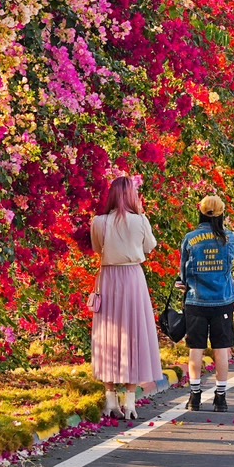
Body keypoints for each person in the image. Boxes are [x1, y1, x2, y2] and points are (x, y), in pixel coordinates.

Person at [89, 175, 165, 420]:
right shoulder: (140, 221)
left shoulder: (99, 222)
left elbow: (97, 249)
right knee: (134, 334)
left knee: (108, 335)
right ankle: (130, 401)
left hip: (109, 277)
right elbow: (149, 246)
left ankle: (110, 399)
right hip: (133, 278)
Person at [180, 194, 234, 412]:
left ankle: (194, 397)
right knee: (221, 349)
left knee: (195, 350)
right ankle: (220, 398)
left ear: (200, 211)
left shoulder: (190, 238)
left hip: (196, 301)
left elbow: (182, 273)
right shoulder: (229, 238)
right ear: (221, 214)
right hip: (222, 302)